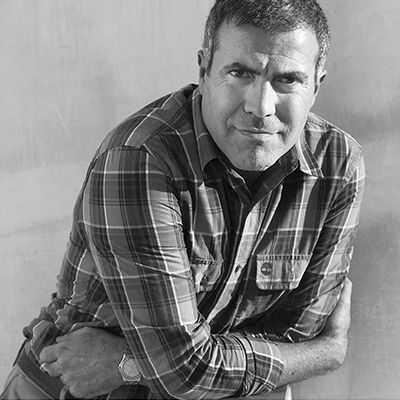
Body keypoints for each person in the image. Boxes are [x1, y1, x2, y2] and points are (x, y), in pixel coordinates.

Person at [1, 0, 365, 399]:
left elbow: (299, 334)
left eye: (288, 80)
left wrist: (130, 364)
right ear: (204, 69)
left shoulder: (338, 164)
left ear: (316, 85)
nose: (260, 106)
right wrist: (325, 355)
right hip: (77, 391)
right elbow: (186, 371)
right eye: (239, 73)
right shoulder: (140, 158)